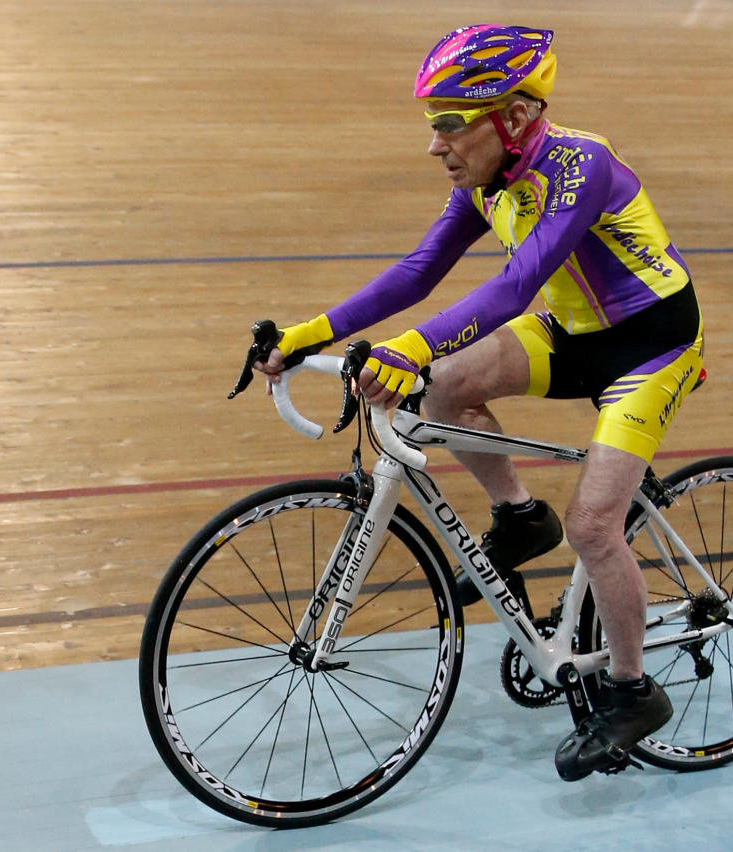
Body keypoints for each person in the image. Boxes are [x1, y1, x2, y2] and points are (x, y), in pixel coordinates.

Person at [253, 24, 704, 781]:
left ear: (516, 117)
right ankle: (522, 518)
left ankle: (632, 692)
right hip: (573, 330)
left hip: (649, 346)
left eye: (449, 123)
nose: (435, 145)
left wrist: (411, 345)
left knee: (596, 525)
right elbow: (421, 269)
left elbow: (513, 287)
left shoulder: (577, 165)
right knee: (441, 385)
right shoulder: (489, 179)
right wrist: (309, 332)